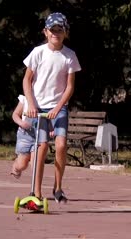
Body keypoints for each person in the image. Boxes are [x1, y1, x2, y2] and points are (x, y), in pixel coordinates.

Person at [23, 12, 81, 203]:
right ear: (46, 32)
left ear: (65, 32)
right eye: (52, 30)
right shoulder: (38, 52)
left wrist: (58, 107)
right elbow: (27, 80)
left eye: (60, 30)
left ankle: (57, 187)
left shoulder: (69, 56)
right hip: (38, 107)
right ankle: (37, 193)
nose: (56, 33)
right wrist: (31, 103)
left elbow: (70, 86)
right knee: (41, 147)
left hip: (58, 107)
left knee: (61, 145)